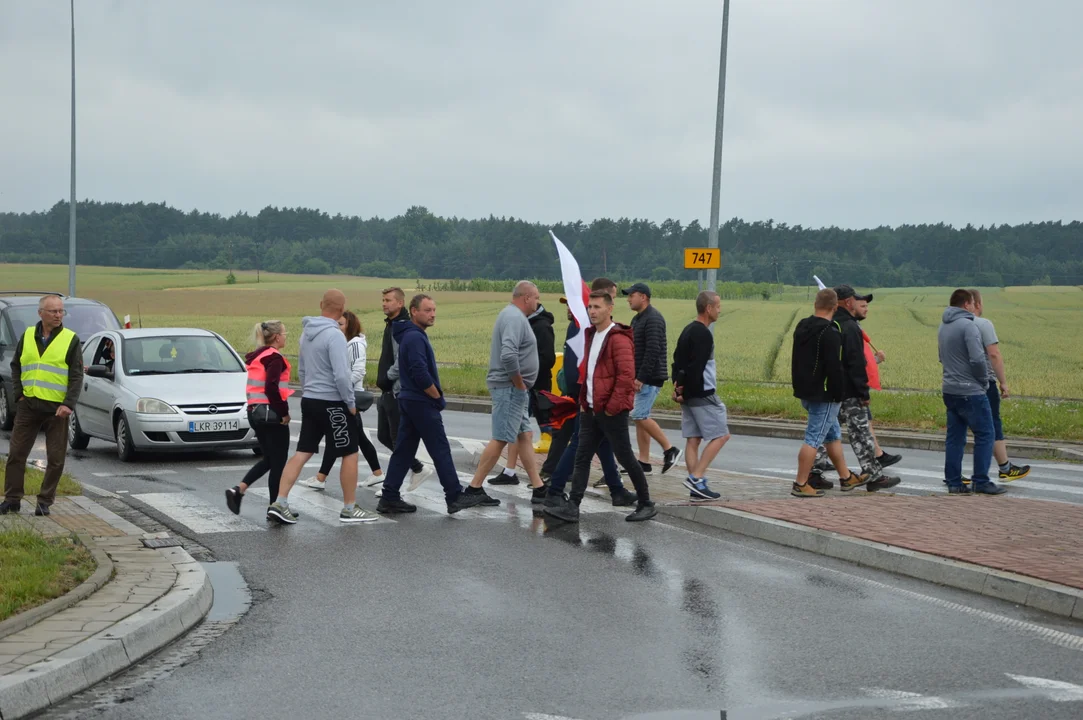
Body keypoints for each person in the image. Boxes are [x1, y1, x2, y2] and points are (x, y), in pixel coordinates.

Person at [543, 290, 656, 523]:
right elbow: (590, 373)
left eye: (597, 307)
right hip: (591, 410)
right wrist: (586, 403)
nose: (592, 312)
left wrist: (610, 409)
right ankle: (573, 506)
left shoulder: (618, 338)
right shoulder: (591, 335)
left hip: (610, 412)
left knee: (625, 457)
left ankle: (646, 503)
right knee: (582, 457)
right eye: (590, 307)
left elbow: (626, 377)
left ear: (610, 308)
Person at [266, 290, 377, 524]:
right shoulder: (335, 335)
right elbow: (342, 375)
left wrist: (309, 392)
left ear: (321, 305)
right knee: (350, 451)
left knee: (303, 451)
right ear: (342, 309)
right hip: (333, 402)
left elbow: (303, 370)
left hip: (310, 400)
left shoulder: (307, 334)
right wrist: (350, 403)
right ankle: (349, 508)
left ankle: (280, 502)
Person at [376, 295, 486, 514]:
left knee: (404, 451)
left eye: (434, 310)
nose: (433, 314)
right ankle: (454, 496)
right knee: (440, 449)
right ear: (414, 311)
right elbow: (419, 371)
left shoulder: (409, 335)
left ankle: (389, 496)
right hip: (420, 401)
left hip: (409, 399)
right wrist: (436, 396)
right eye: (427, 310)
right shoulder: (415, 337)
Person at [809, 285, 901, 492]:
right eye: (858, 301)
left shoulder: (829, 323)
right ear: (846, 303)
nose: (863, 306)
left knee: (826, 432)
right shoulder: (849, 327)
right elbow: (855, 363)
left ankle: (813, 472)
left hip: (830, 389)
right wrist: (862, 392)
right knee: (861, 433)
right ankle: (874, 476)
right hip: (849, 390)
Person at [1, 295, 83, 516]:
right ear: (41, 313)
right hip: (28, 405)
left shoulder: (70, 339)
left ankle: (44, 501)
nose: (58, 315)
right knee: (16, 454)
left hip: (57, 409)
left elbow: (76, 376)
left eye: (60, 311)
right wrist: (19, 394)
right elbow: (16, 365)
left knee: (56, 459)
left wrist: (68, 404)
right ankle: (12, 499)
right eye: (53, 311)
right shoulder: (28, 335)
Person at [470, 281, 547, 504]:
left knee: (523, 435)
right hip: (509, 388)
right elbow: (508, 354)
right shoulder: (514, 318)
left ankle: (539, 488)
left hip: (513, 389)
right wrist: (519, 383)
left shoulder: (512, 315)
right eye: (536, 297)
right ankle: (474, 489)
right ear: (526, 298)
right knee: (502, 437)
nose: (538, 302)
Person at [299, 310, 384, 490]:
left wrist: (341, 388)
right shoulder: (342, 342)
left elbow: (357, 371)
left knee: (339, 438)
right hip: (344, 397)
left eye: (341, 324)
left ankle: (321, 478)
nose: (337, 327)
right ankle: (377, 473)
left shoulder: (354, 344)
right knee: (356, 438)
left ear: (350, 326)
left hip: (348, 396)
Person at [790, 290, 863, 498]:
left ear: (815, 304)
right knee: (813, 437)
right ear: (835, 308)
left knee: (833, 435)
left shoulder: (802, 326)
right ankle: (801, 483)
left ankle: (846, 477)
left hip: (805, 390)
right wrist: (839, 393)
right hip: (825, 394)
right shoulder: (831, 332)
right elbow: (834, 367)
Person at [938, 289, 1007, 495]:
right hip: (971, 390)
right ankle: (981, 480)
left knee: (955, 437)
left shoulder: (943, 326)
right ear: (968, 303)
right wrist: (983, 380)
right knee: (986, 433)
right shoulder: (969, 326)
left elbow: (941, 356)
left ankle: (954, 482)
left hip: (949, 388)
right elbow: (978, 359)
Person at [225, 321, 293, 515]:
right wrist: (284, 413)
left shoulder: (258, 356)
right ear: (277, 337)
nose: (285, 336)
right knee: (278, 463)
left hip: (255, 412)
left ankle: (238, 491)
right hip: (271, 415)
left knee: (269, 460)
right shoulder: (274, 358)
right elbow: (271, 388)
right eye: (284, 333)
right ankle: (276, 507)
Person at [670, 291, 728, 501]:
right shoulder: (703, 333)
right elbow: (697, 368)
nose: (720, 310)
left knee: (693, 439)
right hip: (702, 393)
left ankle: (697, 489)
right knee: (722, 435)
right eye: (718, 306)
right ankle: (697, 477)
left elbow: (677, 362)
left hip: (687, 394)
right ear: (708, 308)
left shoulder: (687, 330)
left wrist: (678, 389)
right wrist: (688, 392)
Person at [968, 289, 1030, 481]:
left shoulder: (949, 325)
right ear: (976, 304)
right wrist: (1003, 382)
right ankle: (1003, 468)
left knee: (960, 428)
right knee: (992, 424)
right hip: (984, 383)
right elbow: (994, 355)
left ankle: (954, 474)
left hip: (957, 384)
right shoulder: (983, 324)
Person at [494, 295, 556, 478]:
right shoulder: (524, 322)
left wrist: (523, 375)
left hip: (534, 386)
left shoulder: (541, 327)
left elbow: (548, 358)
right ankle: (513, 472)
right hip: (524, 384)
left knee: (527, 429)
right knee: (520, 429)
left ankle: (515, 473)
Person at [373, 287, 428, 491]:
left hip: (396, 391)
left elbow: (401, 359)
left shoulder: (401, 327)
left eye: (388, 300)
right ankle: (416, 468)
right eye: (383, 300)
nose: (384, 303)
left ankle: (392, 487)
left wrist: (387, 378)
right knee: (383, 436)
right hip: (387, 392)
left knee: (399, 439)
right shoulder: (391, 324)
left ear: (400, 303)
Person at [623, 282, 681, 475]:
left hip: (650, 377)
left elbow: (653, 350)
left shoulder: (653, 319)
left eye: (632, 295)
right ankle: (644, 462)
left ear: (644, 297)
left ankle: (669, 449)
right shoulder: (637, 319)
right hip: (641, 376)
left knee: (639, 415)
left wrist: (641, 377)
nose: (628, 299)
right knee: (641, 418)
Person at [854, 296, 902, 468]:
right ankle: (873, 464)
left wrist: (874, 360)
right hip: (852, 386)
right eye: (863, 305)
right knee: (858, 424)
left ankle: (877, 456)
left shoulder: (854, 327)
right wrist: (876, 360)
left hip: (854, 385)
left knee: (863, 421)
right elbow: (855, 362)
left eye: (867, 305)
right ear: (851, 305)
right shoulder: (851, 328)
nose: (866, 309)